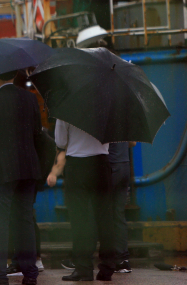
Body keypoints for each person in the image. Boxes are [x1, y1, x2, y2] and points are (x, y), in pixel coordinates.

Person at [0, 70, 42, 285]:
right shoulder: (30, 98)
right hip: (28, 169)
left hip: (1, 172)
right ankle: (30, 273)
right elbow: (36, 135)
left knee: (1, 223)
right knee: (25, 221)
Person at [47, 120, 115, 282]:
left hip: (77, 165)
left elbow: (61, 142)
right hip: (101, 163)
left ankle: (84, 268)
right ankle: (108, 267)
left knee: (80, 219)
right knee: (105, 217)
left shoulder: (66, 109)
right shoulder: (107, 106)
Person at [108, 142, 136, 274]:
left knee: (101, 212)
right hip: (124, 165)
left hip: (111, 166)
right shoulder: (125, 120)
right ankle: (123, 260)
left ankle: (83, 258)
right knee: (118, 214)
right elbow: (133, 143)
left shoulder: (103, 120)